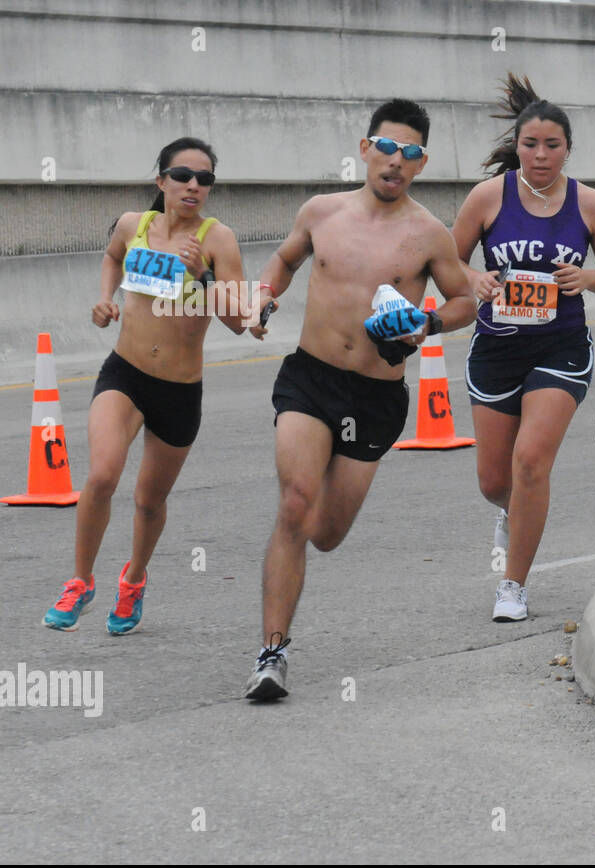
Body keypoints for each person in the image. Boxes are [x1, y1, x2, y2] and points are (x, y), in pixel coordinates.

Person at [242, 98, 475, 701]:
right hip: (309, 378)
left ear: (423, 165)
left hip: (376, 394)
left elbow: (464, 302)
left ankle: (296, 559)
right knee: (295, 503)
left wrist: (426, 327)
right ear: (366, 149)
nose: (397, 162)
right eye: (388, 148)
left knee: (325, 532)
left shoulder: (429, 233)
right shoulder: (322, 212)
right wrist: (264, 297)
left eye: (412, 153)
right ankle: (272, 653)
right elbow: (286, 259)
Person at [43, 137, 251, 635]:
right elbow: (112, 257)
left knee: (149, 501)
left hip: (179, 389)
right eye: (182, 175)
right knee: (102, 476)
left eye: (205, 179)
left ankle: (133, 579)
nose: (193, 185)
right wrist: (104, 298)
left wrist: (201, 275)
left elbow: (241, 321)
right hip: (125, 373)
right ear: (160, 180)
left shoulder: (218, 240)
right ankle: (80, 580)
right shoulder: (132, 225)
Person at [451, 75, 595, 622]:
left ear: (568, 149)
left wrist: (587, 279)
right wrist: (474, 281)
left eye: (552, 145)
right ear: (518, 146)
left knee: (531, 461)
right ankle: (512, 512)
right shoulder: (488, 196)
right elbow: (446, 263)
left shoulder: (589, 203)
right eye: (531, 144)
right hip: (496, 349)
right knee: (494, 482)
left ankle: (513, 586)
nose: (541, 154)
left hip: (562, 347)